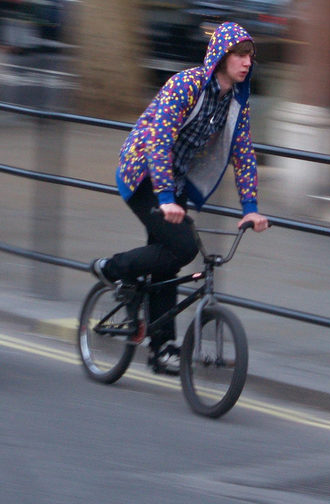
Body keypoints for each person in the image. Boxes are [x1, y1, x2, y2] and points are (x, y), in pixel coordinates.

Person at [90, 21, 270, 375]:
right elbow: (158, 141)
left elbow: (244, 152)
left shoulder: (235, 101)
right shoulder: (185, 85)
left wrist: (251, 208)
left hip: (176, 182)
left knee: (167, 264)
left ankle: (161, 350)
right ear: (221, 56)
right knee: (183, 247)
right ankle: (112, 268)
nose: (247, 62)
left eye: (251, 56)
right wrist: (166, 196)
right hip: (142, 176)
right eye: (240, 54)